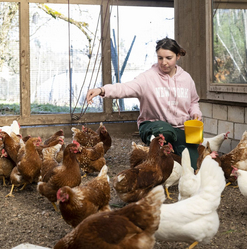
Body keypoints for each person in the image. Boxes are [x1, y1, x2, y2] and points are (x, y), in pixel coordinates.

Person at [86, 37, 202, 169]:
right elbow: (125, 88)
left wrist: (195, 113)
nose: (164, 62)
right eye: (160, 58)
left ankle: (173, 156)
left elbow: (193, 101)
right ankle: (154, 158)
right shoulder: (147, 78)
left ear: (178, 56)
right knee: (165, 131)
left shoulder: (186, 78)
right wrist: (102, 90)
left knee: (194, 167)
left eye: (168, 58)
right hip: (153, 125)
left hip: (181, 128)